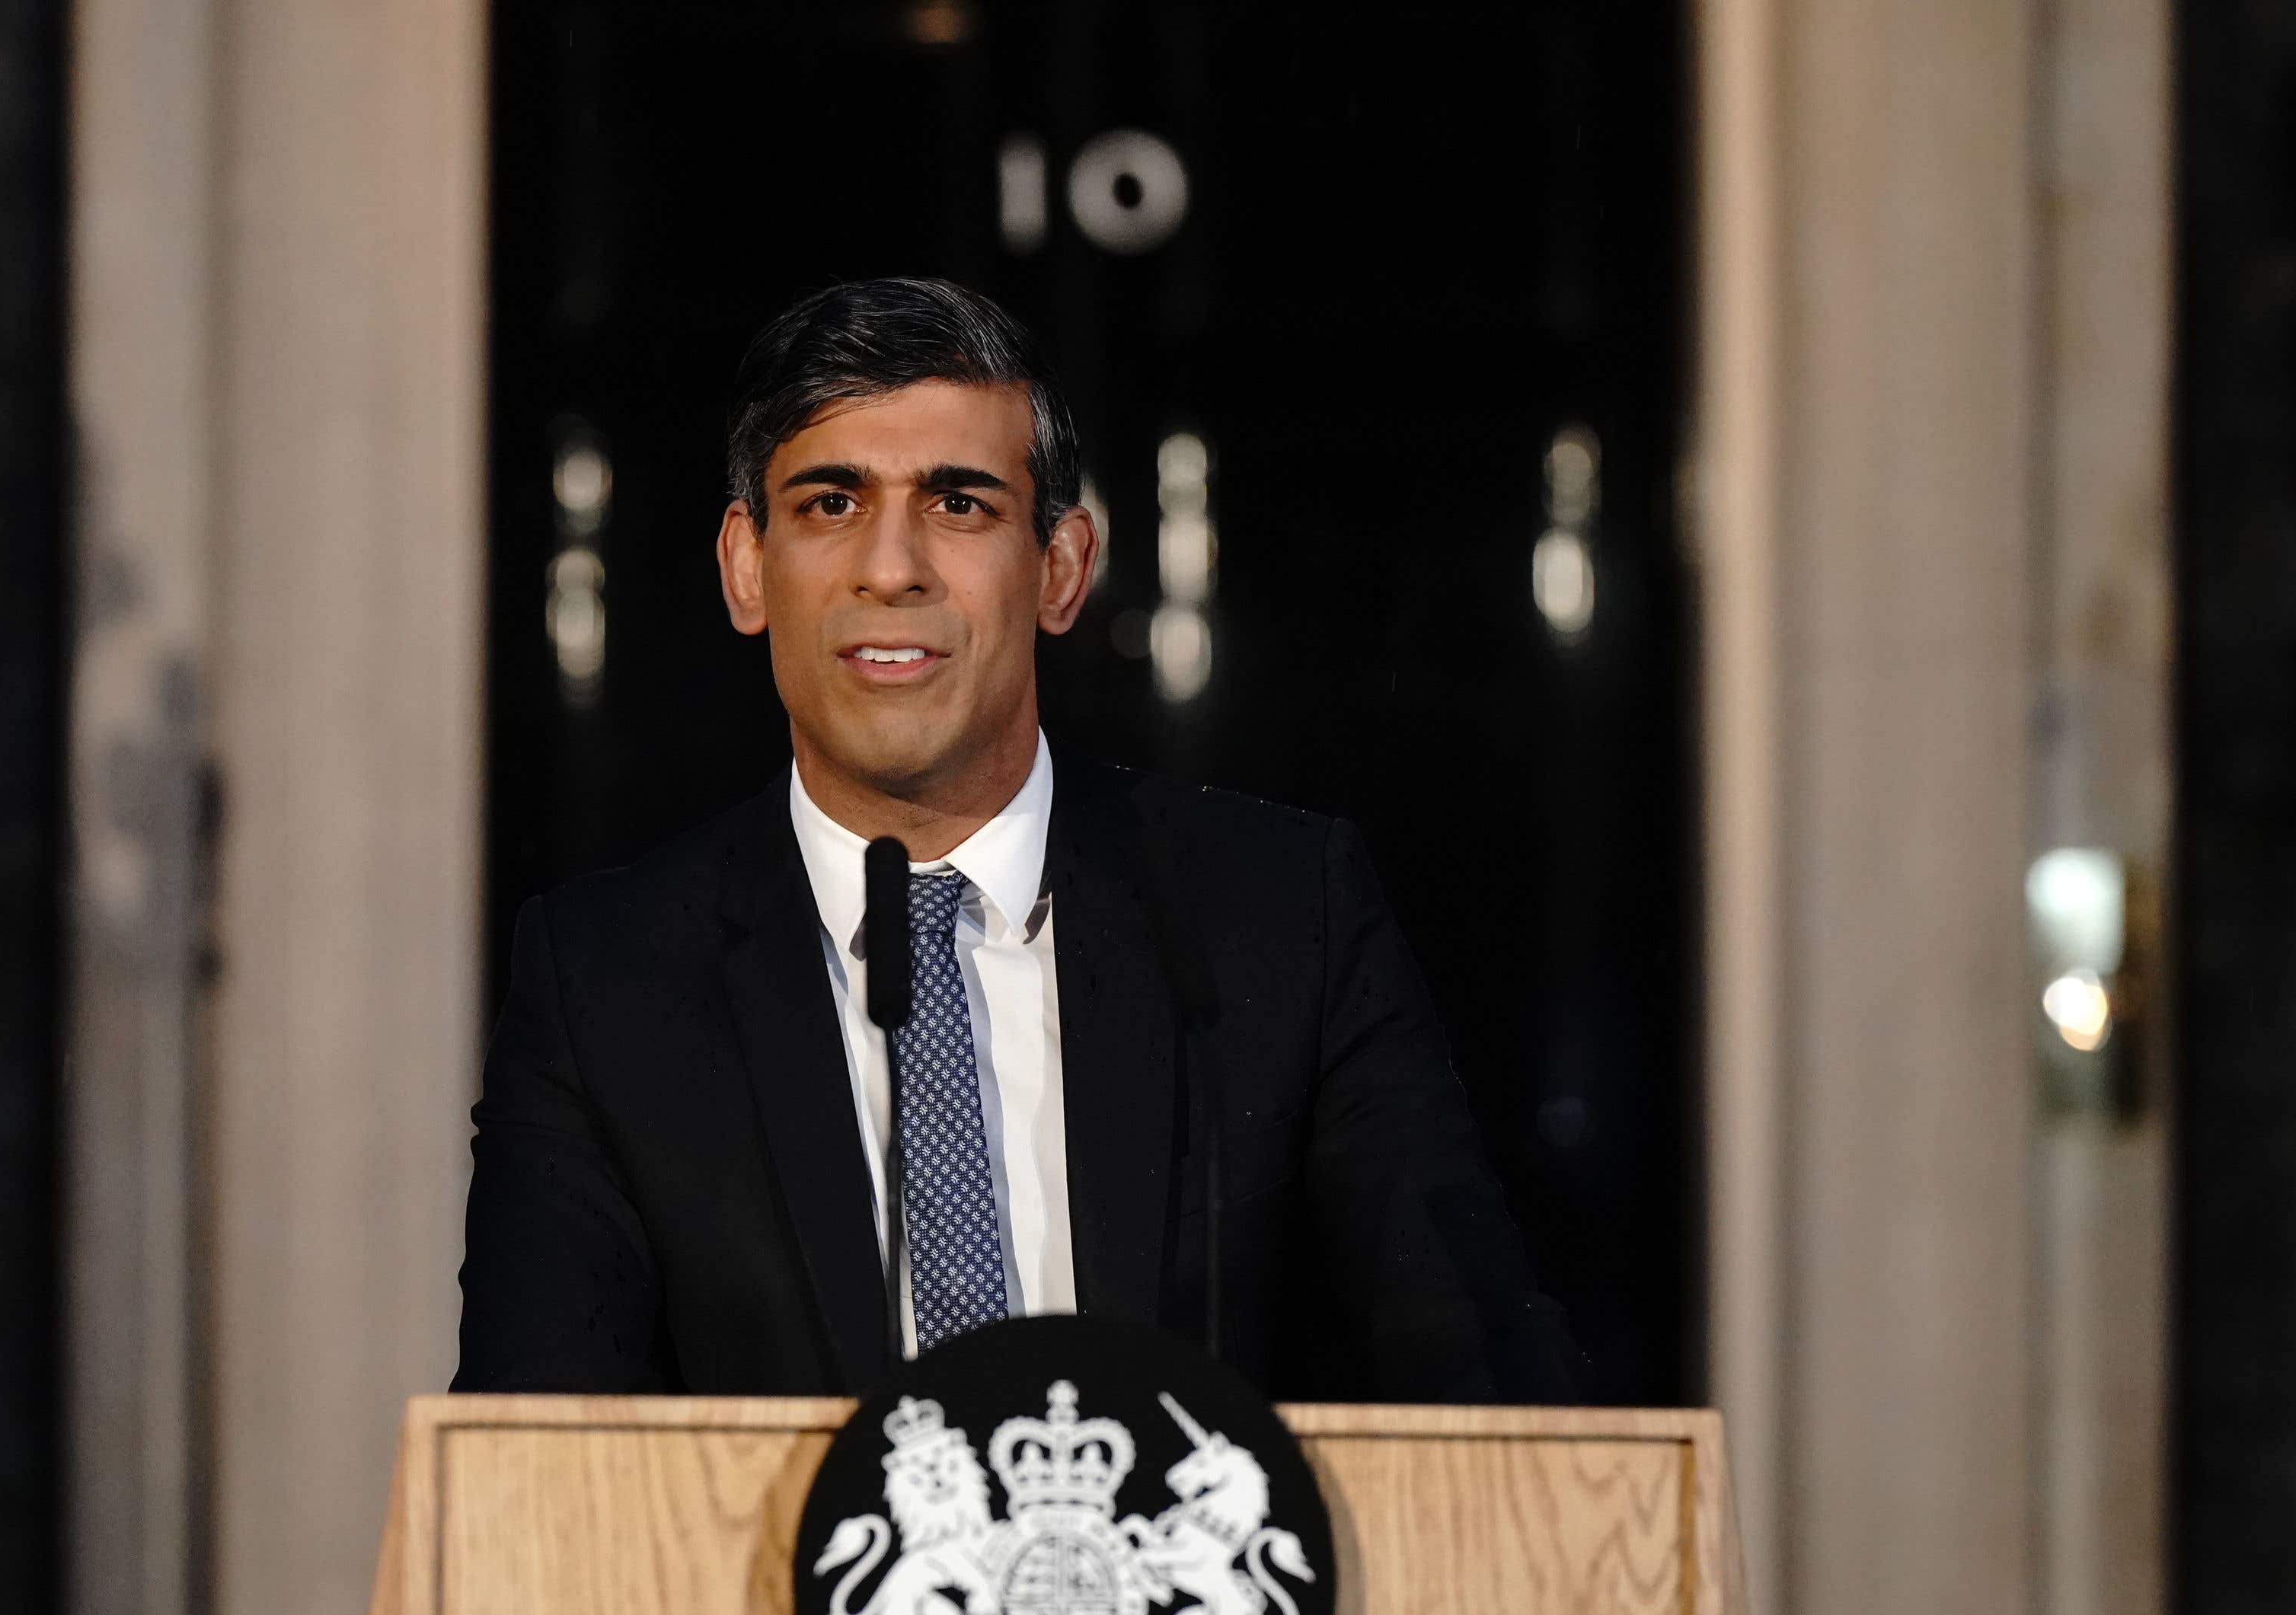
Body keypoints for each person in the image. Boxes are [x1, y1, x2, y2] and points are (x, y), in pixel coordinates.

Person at [455, 276, 1583, 1403]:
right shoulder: (603, 984)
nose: (890, 568)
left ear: (1060, 568)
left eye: (959, 505)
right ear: (746, 566)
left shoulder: (1284, 921)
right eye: (831, 503)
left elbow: (1496, 1405)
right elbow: (533, 1478)